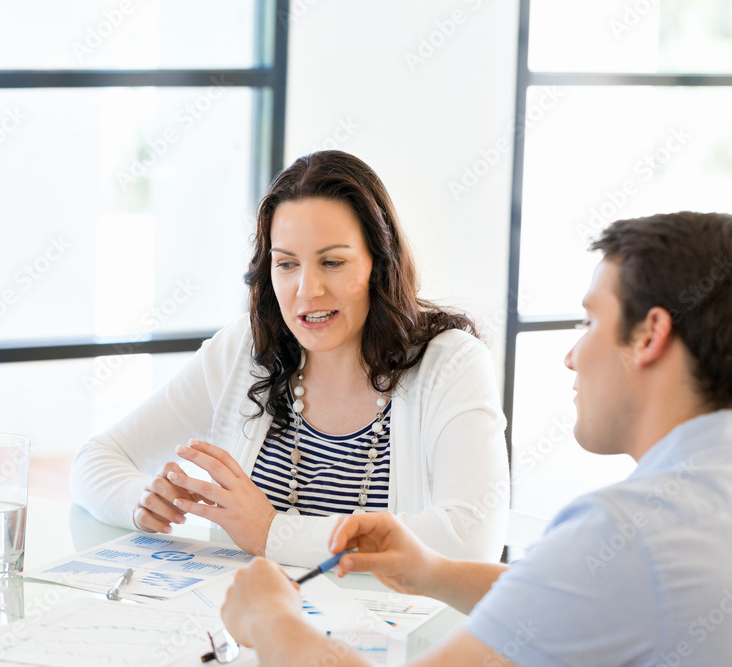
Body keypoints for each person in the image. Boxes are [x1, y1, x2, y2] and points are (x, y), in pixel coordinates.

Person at [221, 211, 732, 665]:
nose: (572, 355)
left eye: (591, 320)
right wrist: (435, 572)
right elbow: (587, 596)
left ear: (649, 336)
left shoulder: (626, 532)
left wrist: (270, 620)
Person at [71, 150, 509, 566]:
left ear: (380, 262)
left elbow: (471, 542)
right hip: (250, 632)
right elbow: (95, 459)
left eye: (332, 262)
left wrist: (272, 534)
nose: (307, 290)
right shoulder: (246, 350)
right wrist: (140, 500)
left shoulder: (451, 363)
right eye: (286, 264)